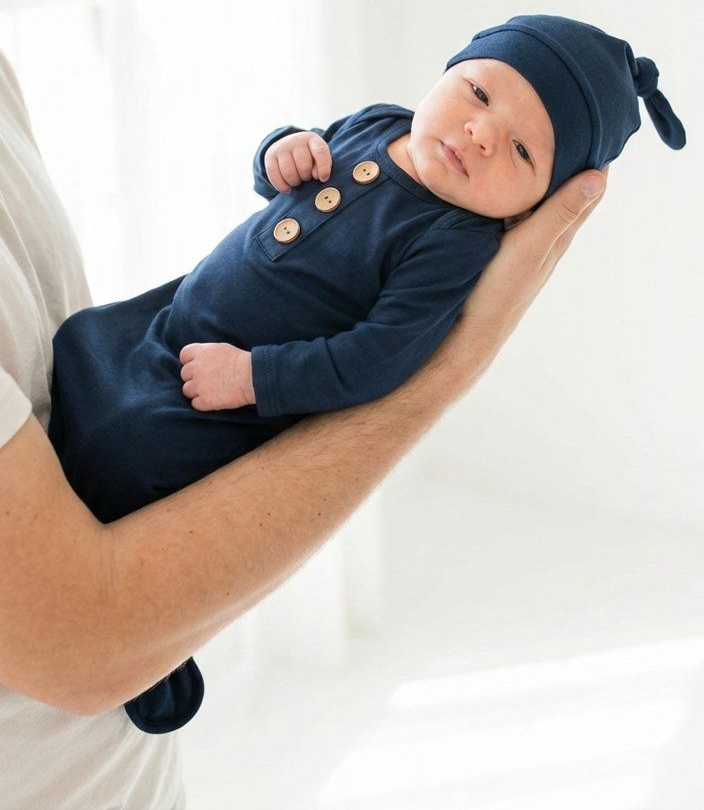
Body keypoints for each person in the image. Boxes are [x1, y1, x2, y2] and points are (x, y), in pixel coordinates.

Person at [0, 42, 609, 810]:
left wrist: (256, 379)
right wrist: (280, 153)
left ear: (531, 208)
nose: (481, 133)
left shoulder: (454, 243)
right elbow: (281, 176)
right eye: (479, 92)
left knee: (129, 461)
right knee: (79, 351)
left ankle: (155, 662)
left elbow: (378, 357)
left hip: (224, 393)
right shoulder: (381, 123)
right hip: (163, 328)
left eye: (522, 149)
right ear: (444, 74)